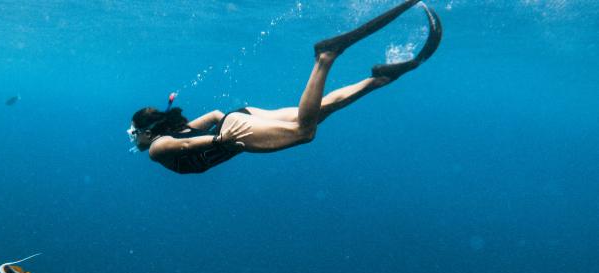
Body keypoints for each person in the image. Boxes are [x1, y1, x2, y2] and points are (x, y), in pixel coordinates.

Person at [128, 0, 442, 174]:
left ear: (147, 132)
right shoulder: (173, 132)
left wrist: (222, 138)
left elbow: (183, 146)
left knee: (305, 132)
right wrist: (224, 128)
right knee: (318, 112)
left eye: (133, 133)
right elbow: (211, 115)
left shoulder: (157, 149)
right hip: (239, 119)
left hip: (233, 130)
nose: (134, 141)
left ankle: (325, 58)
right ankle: (378, 80)